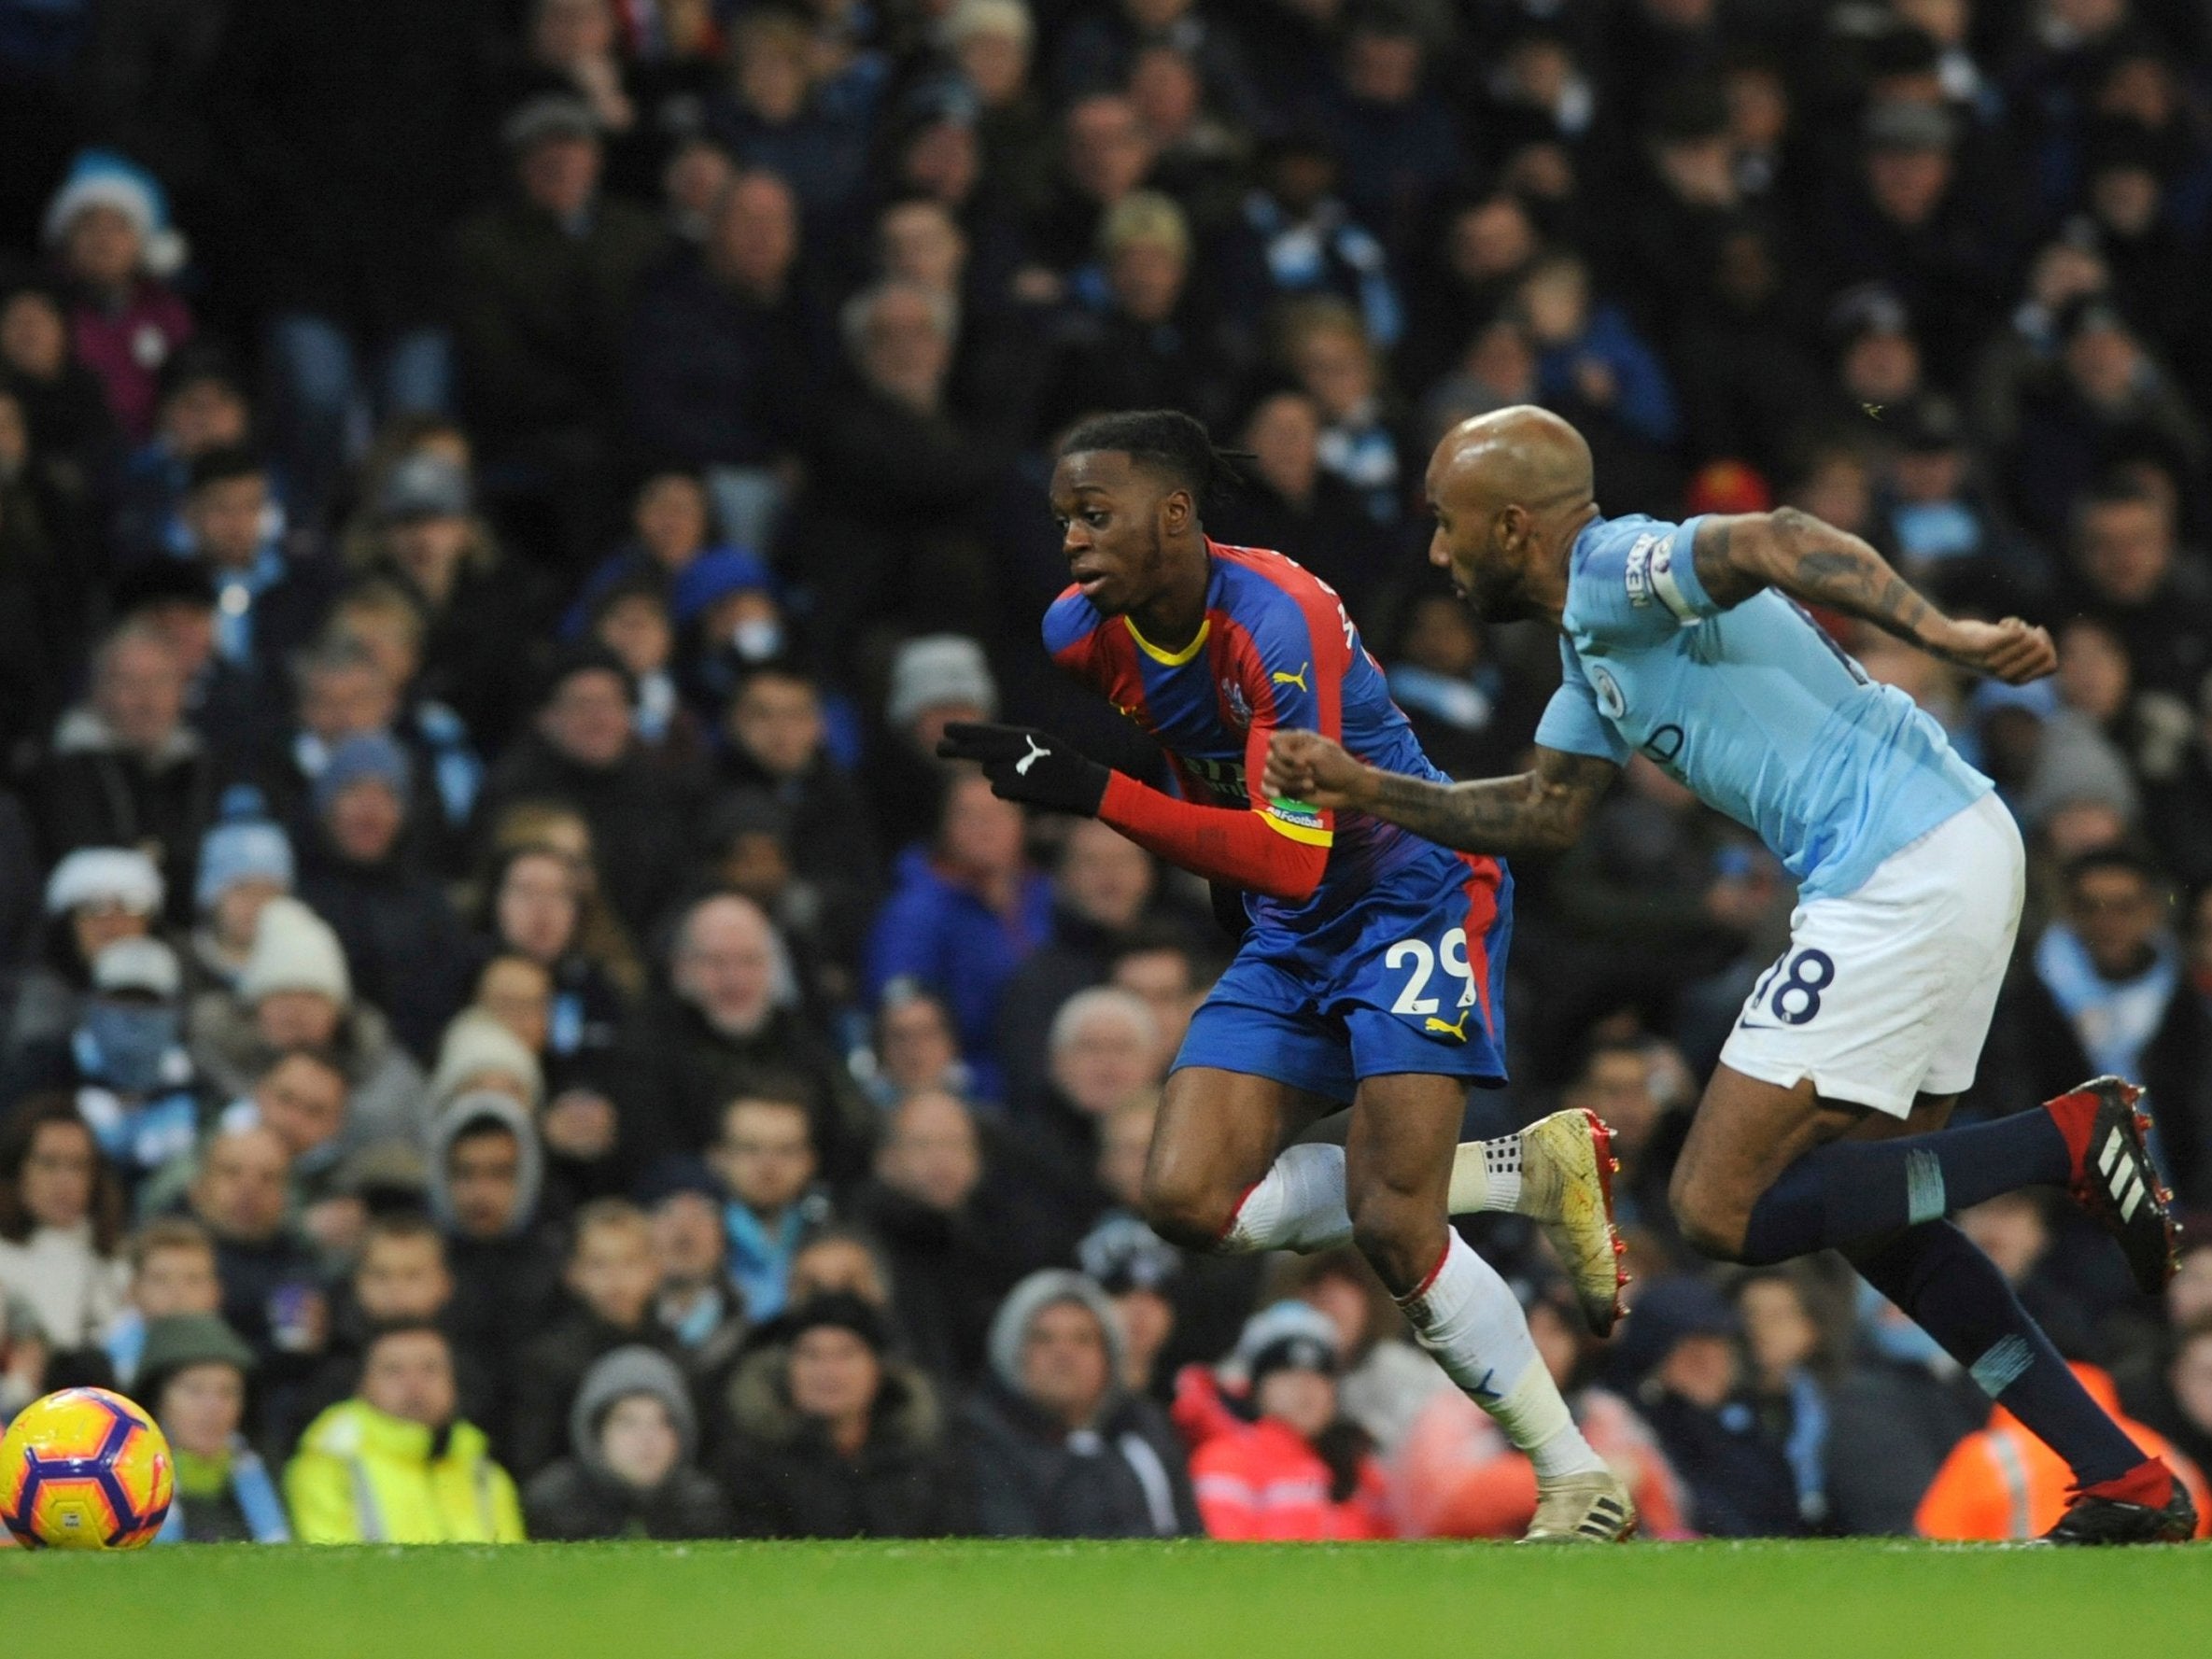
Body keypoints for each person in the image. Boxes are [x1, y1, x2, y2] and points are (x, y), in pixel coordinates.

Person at [1265, 402, 2193, 1541]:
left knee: (1713, 1203)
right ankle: (2123, 1481)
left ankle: (2067, 1137)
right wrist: (1363, 789)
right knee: (1869, 1214)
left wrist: (1945, 637)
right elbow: (1542, 811)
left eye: (1448, 528)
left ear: (1513, 526)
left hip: (1896, 867)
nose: (1437, 555)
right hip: (1942, 849)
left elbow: (1770, 537)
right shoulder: (1588, 647)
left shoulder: (1613, 566)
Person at [937, 409, 1633, 1538]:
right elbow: (1193, 749)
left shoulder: (1279, 616)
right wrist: (1201, 841)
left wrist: (1093, 793)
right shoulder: (1081, 630)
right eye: (1063, 517)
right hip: (1290, 920)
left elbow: (1292, 850)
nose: (1071, 542)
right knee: (1182, 1198)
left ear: (1175, 514)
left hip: (1410, 887)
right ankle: (1522, 1172)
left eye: (1095, 514)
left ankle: (1574, 1478)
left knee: (1395, 1225)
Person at [960, 1269, 1199, 1538]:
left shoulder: (1146, 1431)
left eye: (1083, 1339)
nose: (1064, 1353)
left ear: (1108, 1356)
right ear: (1013, 1352)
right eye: (1043, 1338)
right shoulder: (979, 1443)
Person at [716, 1293, 967, 1538]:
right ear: (786, 1369)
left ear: (879, 1368)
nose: (828, 1371)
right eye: (811, 1355)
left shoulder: (923, 1458)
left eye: (847, 1353)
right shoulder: (751, 1461)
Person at [286, 1321, 528, 1545]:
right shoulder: (328, 1466)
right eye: (394, 1370)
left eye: (430, 1369)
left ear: (455, 1382)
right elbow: (329, 1570)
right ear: (362, 1385)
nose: (414, 1384)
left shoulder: (485, 1474)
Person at [509, 1199, 675, 1478]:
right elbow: (534, 1461)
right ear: (573, 1274)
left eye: (630, 1261)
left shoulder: (675, 1357)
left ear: (654, 1270)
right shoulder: (548, 1361)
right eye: (599, 1264)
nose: (616, 1278)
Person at [1190, 1323, 1391, 1539]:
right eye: (1288, 1374)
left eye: (1319, 1375)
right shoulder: (1225, 1461)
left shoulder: (1358, 1467)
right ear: (1257, 1389)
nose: (1306, 1389)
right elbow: (1224, 1558)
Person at [522, 1344, 731, 1540]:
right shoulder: (553, 1506)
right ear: (597, 1432)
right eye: (627, 1422)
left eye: (664, 1422)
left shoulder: (702, 1508)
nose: (647, 1439)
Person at [141, 1312, 289, 1543]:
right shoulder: (124, 1485)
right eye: (195, 1390)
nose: (213, 1407)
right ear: (158, 1401)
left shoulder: (267, 1470)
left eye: (228, 1392)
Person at [0, 1096, 129, 1351]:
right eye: (49, 1164)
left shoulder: (118, 1259)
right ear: (17, 1170)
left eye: (78, 1166)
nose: (65, 1182)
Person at [709, 1087, 830, 1324]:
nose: (769, 1166)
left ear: (810, 1161)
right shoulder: (686, 1242)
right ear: (718, 1157)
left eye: (786, 1150)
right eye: (750, 1149)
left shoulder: (837, 1241)